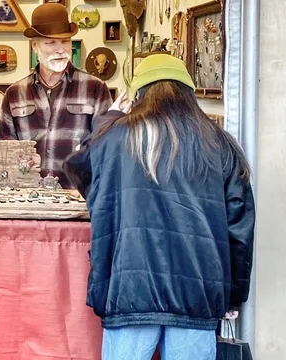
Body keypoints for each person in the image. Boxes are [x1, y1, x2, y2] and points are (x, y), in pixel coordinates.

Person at [64, 54, 255, 360]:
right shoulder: (220, 143)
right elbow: (240, 229)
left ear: (138, 94)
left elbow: (78, 168)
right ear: (189, 93)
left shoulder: (115, 137)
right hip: (198, 295)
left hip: (129, 290)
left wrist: (110, 117)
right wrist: (233, 297)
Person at [0, 2, 112, 187]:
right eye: (51, 42)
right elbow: (5, 152)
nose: (60, 49)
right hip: (27, 198)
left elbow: (106, 149)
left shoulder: (95, 89)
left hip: (79, 197)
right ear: (34, 46)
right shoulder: (14, 94)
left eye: (65, 41)